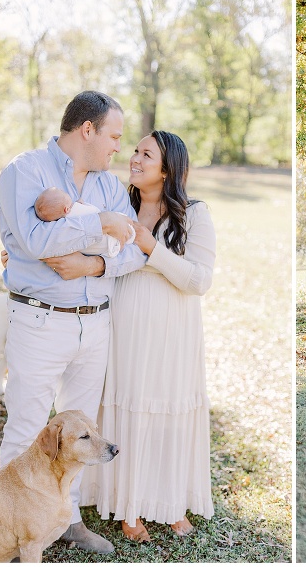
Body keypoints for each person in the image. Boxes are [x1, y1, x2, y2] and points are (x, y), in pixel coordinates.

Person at [0, 90, 147, 554]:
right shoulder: (23, 172)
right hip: (39, 322)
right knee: (25, 429)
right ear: (88, 130)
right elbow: (36, 241)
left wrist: (93, 265)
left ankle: (68, 522)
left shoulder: (110, 186)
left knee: (82, 436)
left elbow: (134, 251)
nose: (118, 148)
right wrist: (101, 225)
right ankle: (9, 529)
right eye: (114, 137)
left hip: (95, 323)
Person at [80, 130, 216, 542]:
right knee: (128, 408)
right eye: (134, 151)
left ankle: (171, 502)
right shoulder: (119, 208)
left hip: (172, 330)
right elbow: (87, 249)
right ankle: (130, 504)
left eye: (145, 154)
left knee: (169, 411)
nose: (134, 158)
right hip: (122, 326)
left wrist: (150, 248)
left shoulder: (194, 214)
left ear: (167, 168)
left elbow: (199, 280)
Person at [34, 186, 135, 257]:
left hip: (92, 249)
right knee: (123, 222)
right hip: (106, 238)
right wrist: (81, 204)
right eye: (64, 194)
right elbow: (94, 212)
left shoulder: (61, 225)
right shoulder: (76, 209)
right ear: (66, 209)